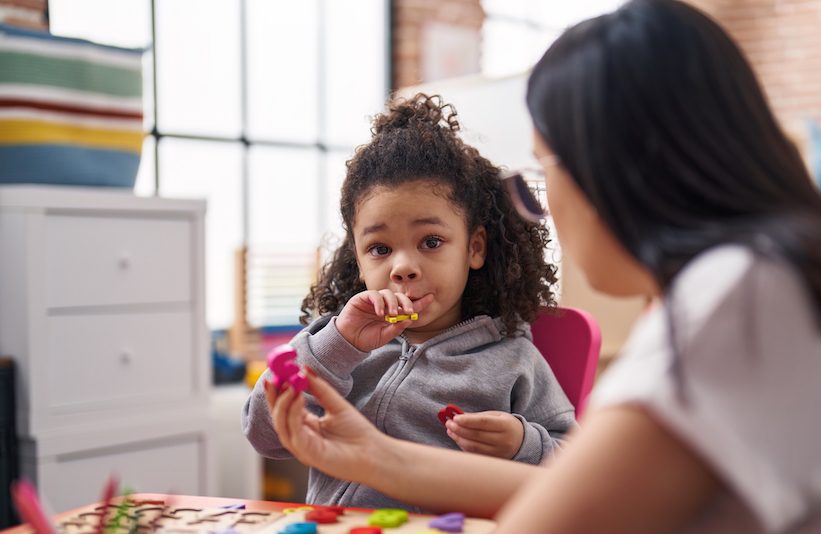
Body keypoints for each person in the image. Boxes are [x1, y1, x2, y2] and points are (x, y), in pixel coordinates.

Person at [264, 1, 821, 534]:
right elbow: (592, 511)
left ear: (611, 170)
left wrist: (393, 461)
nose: (542, 203)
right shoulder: (803, 267)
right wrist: (383, 457)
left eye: (542, 172)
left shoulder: (741, 300)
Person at [243, 93, 575, 511]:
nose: (403, 266)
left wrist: (523, 443)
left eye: (431, 242)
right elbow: (263, 434)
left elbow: (575, 470)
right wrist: (339, 346)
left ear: (474, 248)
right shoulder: (335, 342)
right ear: (358, 259)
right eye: (380, 249)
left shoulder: (513, 359)